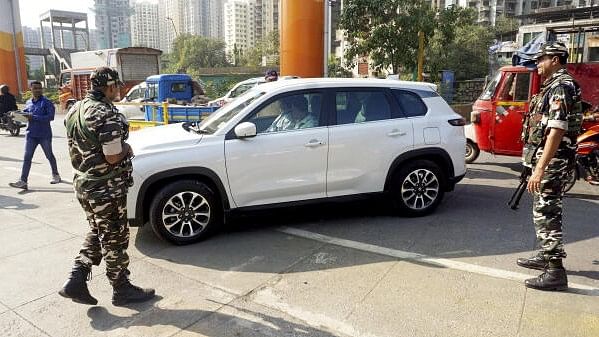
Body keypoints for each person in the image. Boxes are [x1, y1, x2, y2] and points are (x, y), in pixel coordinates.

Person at [59, 67, 155, 306]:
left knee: (97, 231)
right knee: (115, 240)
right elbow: (113, 156)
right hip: (106, 189)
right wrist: (128, 150)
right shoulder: (105, 113)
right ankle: (121, 289)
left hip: (84, 185)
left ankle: (75, 279)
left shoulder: (75, 108)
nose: (119, 90)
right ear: (110, 86)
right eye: (117, 86)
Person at [517, 41, 584, 291]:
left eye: (541, 59)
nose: (538, 63)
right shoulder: (553, 86)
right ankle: (547, 256)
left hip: (554, 162)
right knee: (544, 210)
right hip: (550, 160)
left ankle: (555, 272)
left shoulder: (561, 86)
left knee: (547, 213)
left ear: (555, 59)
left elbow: (556, 130)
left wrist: (540, 168)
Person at [9, 81, 60, 190]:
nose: (38, 90)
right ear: (30, 90)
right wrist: (16, 116)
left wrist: (33, 117)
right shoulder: (28, 102)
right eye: (35, 88)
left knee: (49, 155)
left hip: (44, 135)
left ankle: (56, 175)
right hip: (31, 134)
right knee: (27, 157)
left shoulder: (47, 102)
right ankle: (23, 181)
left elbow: (50, 117)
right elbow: (25, 115)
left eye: (39, 88)